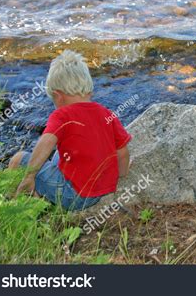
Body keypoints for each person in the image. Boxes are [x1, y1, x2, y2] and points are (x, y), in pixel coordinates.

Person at [9, 50, 131, 210]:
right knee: (62, 151)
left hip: (73, 195)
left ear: (58, 96)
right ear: (89, 89)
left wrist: (29, 176)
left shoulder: (61, 115)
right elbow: (122, 152)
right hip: (101, 191)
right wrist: (121, 175)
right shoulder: (106, 113)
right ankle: (42, 197)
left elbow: (46, 141)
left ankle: (13, 203)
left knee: (18, 159)